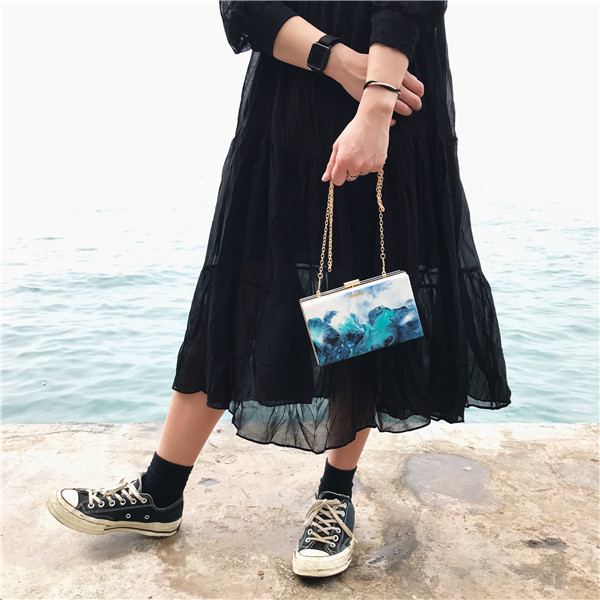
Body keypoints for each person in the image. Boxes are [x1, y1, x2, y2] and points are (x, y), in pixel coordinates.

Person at [47, 0, 511, 578]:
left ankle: (335, 495)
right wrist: (336, 60)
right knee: (238, 288)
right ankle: (161, 491)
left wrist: (375, 99)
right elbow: (242, 6)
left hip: (391, 94)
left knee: (363, 302)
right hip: (287, 95)